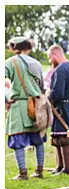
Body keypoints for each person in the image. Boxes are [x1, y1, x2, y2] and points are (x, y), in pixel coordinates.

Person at [5, 36, 46, 180]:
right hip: (36, 106)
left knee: (17, 139)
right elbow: (42, 86)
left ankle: (23, 173)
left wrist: (5, 99)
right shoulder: (37, 63)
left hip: (18, 106)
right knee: (38, 139)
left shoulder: (11, 62)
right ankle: (39, 171)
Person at [47, 45, 69, 175]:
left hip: (62, 107)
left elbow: (58, 92)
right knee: (58, 137)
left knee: (64, 137)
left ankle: (67, 168)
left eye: (50, 57)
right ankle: (60, 166)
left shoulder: (60, 70)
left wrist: (48, 96)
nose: (50, 61)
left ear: (56, 54)